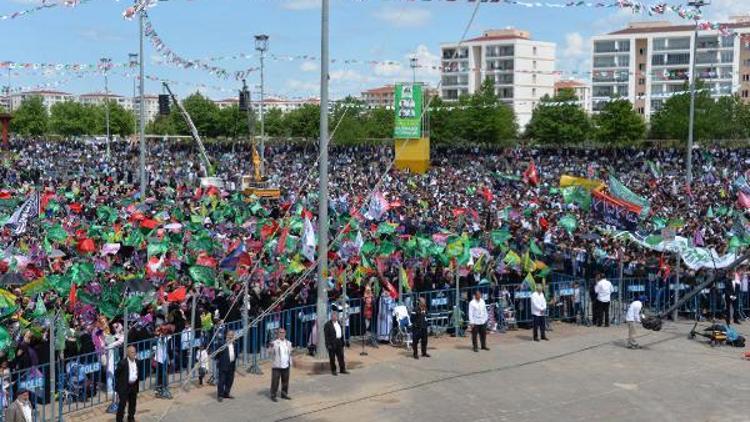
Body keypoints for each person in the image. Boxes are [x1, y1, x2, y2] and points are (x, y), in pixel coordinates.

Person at [114, 346, 139, 422]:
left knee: (133, 403)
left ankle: (131, 417)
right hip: (124, 386)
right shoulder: (123, 363)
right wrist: (121, 383)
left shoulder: (137, 361)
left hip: (133, 385)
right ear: (128, 353)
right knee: (122, 404)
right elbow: (116, 373)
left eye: (135, 352)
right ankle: (119, 419)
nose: (134, 354)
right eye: (132, 352)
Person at [269, 327, 293, 402]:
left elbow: (290, 353)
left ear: (285, 334)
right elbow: (270, 352)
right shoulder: (275, 343)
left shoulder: (288, 343)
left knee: (285, 381)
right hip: (277, 365)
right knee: (275, 381)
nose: (282, 334)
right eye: (280, 332)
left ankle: (284, 394)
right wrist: (270, 347)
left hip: (286, 365)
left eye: (283, 333)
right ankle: (273, 395)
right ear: (278, 334)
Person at [215, 330, 237, 402]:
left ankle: (226, 393)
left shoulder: (234, 343)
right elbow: (217, 354)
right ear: (226, 335)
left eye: (232, 335)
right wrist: (219, 361)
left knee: (230, 380)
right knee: (222, 380)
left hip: (231, 364)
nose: (230, 337)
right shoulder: (222, 344)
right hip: (223, 365)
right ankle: (220, 395)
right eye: (229, 335)